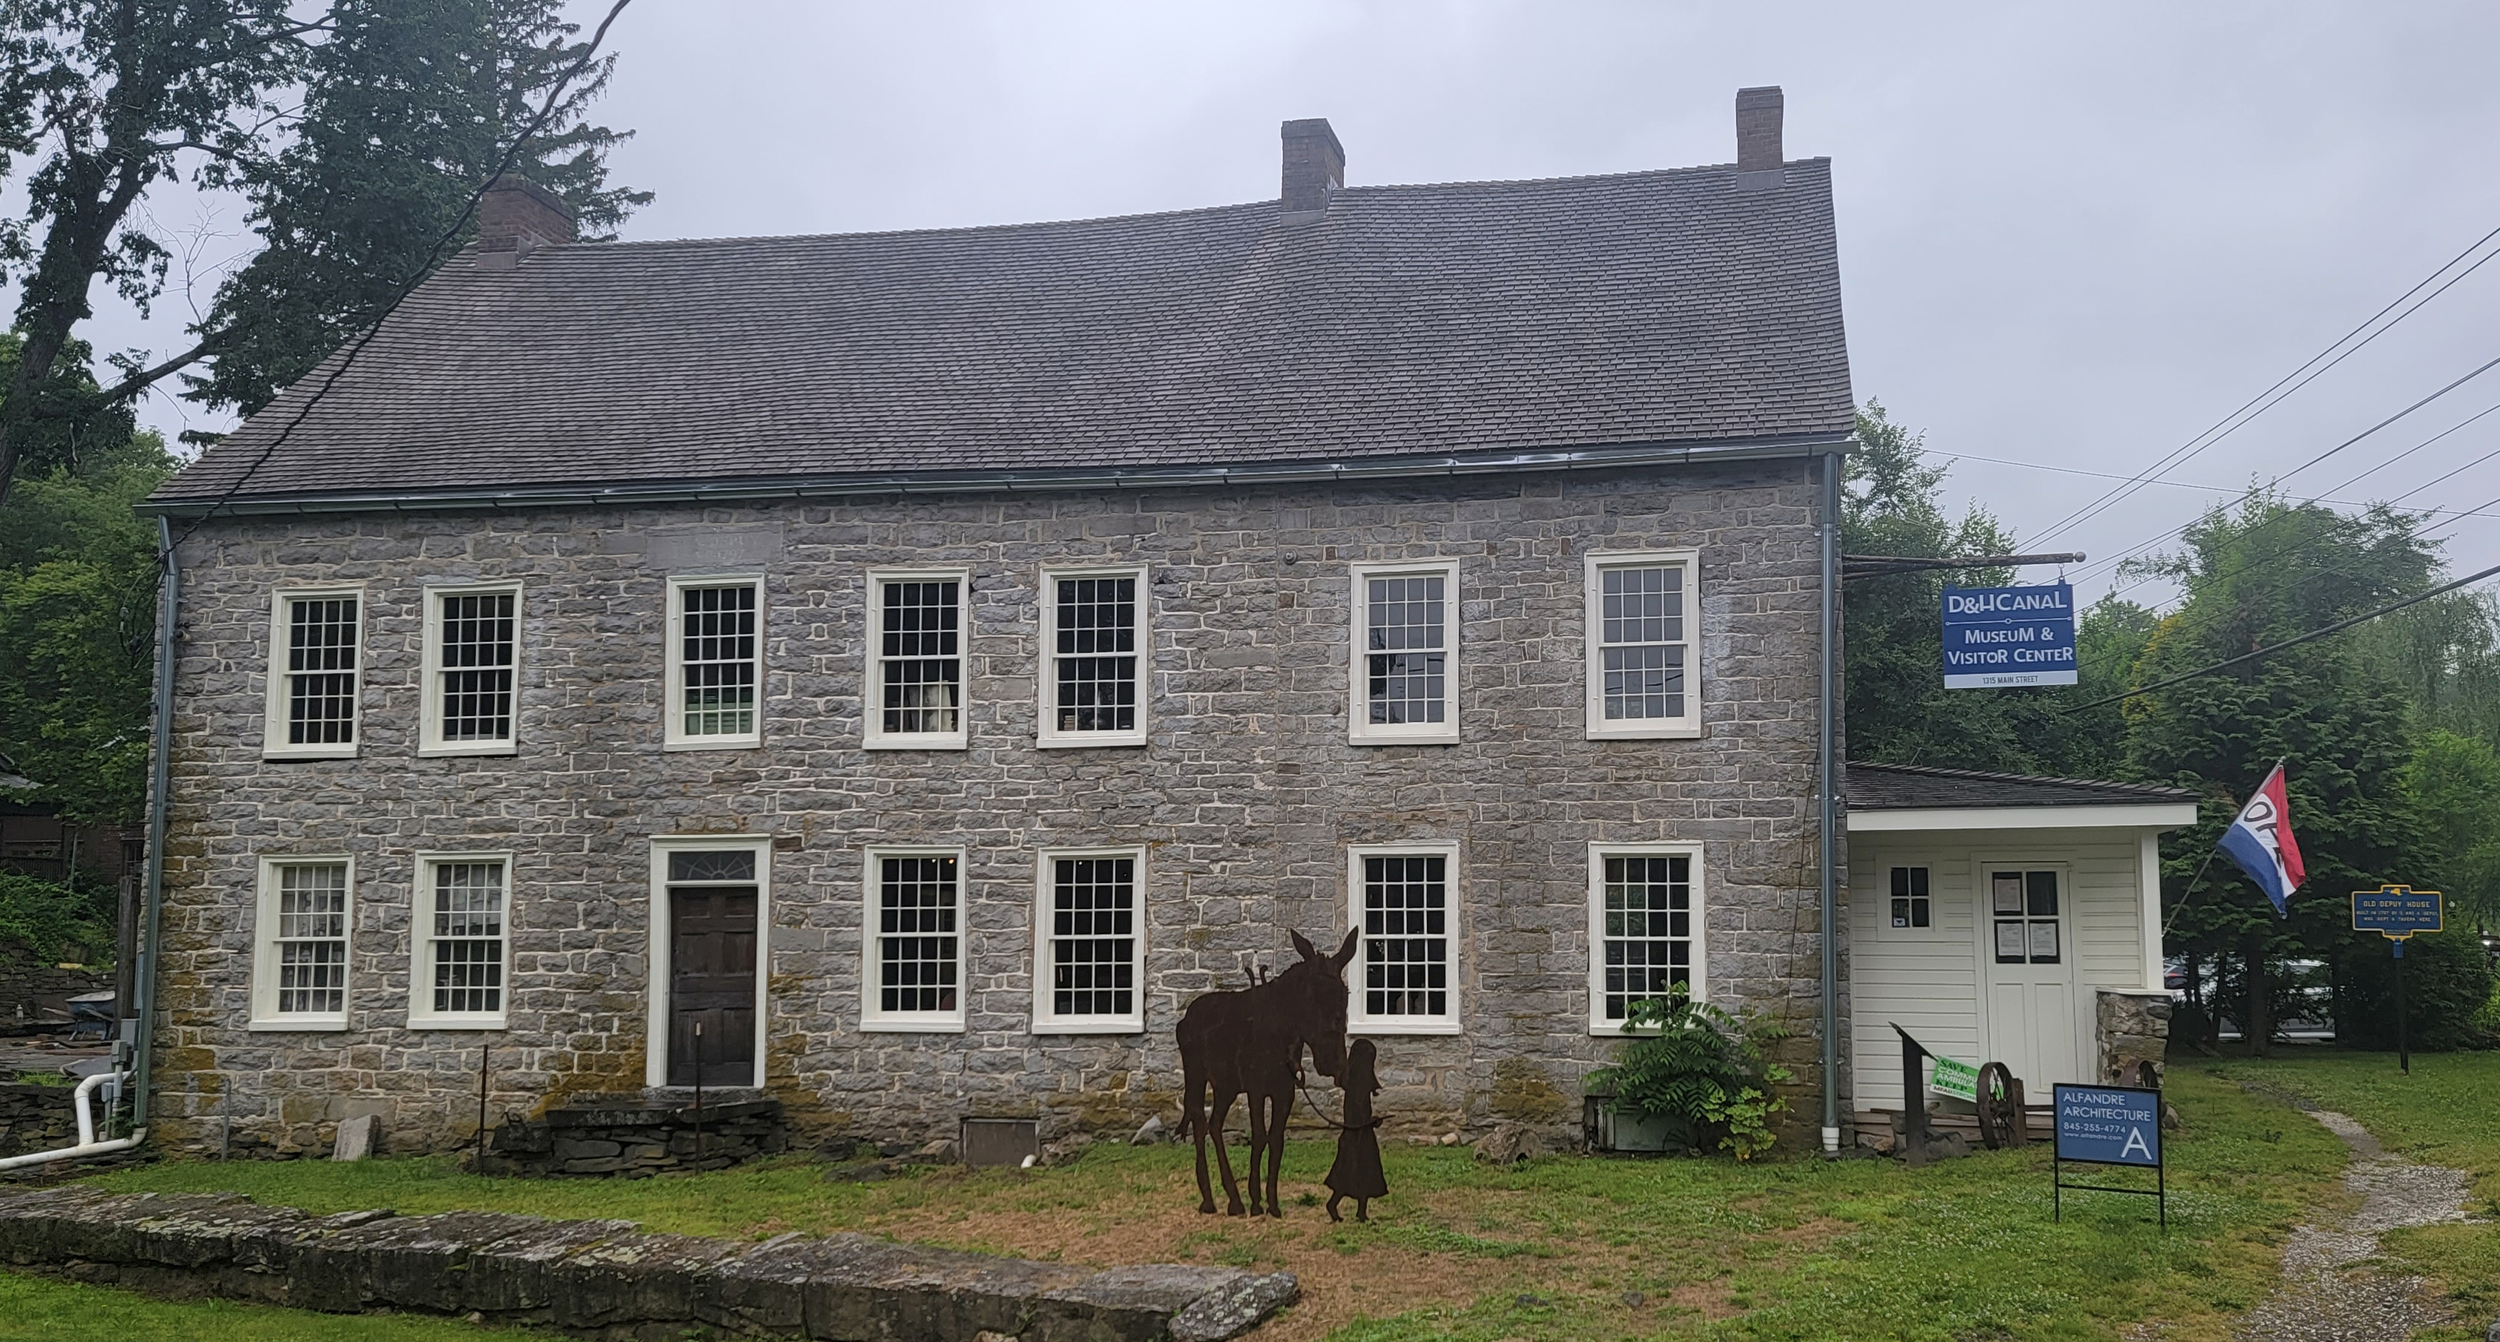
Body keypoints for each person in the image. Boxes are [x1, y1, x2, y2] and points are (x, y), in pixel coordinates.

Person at [1325, 1038, 1387, 1222]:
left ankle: (1361, 1211)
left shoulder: (1358, 1084)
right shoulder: (1357, 1087)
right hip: (1356, 1138)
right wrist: (1371, 1122)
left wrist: (1370, 1122)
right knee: (1351, 1173)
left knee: (1365, 1174)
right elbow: (1357, 1116)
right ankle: (1334, 1204)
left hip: (1361, 1135)